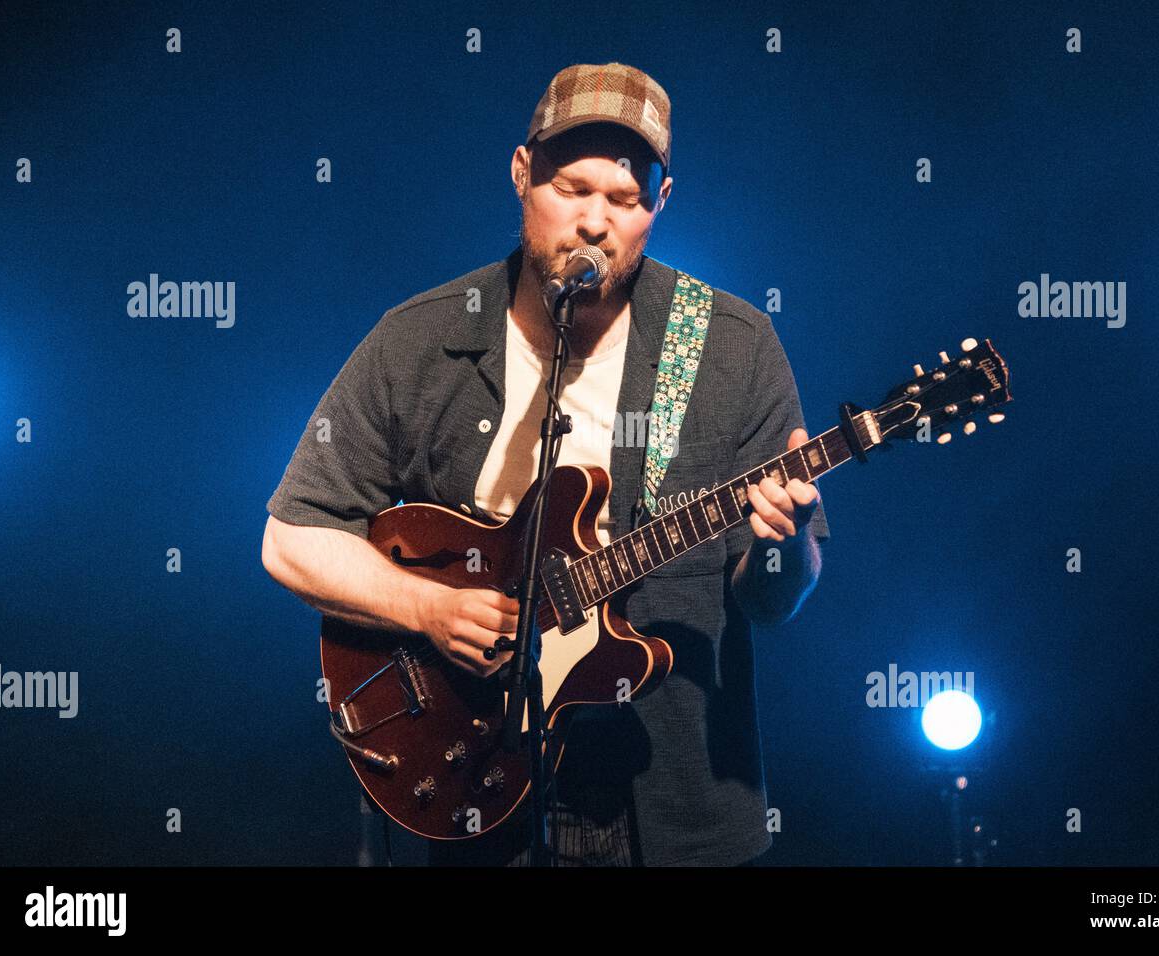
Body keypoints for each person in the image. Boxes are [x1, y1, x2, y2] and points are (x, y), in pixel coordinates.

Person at [262, 62, 830, 866]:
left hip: (675, 812)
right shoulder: (419, 341)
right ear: (522, 176)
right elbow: (291, 535)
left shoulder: (731, 350)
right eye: (571, 188)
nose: (594, 221)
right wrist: (426, 608)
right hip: (474, 786)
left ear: (658, 206)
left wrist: (784, 538)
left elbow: (772, 602)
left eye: (624, 200)